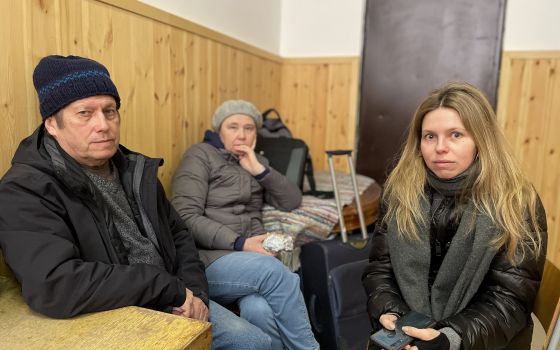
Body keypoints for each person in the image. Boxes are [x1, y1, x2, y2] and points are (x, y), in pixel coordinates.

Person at [0, 55, 271, 350]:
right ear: (52, 123)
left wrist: (195, 295)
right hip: (109, 310)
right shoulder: (26, 187)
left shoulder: (134, 170)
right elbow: (54, 284)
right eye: (84, 113)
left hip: (173, 295)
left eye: (110, 111)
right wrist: (168, 289)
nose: (103, 125)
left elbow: (179, 235)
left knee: (255, 340)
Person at [362, 81, 547, 350]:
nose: (440, 148)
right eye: (430, 136)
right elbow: (380, 268)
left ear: (481, 140)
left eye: (456, 135)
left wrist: (448, 339)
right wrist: (391, 314)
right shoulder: (400, 192)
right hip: (411, 333)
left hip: (482, 341)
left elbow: (509, 299)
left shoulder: (517, 202)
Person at [171, 99, 320, 350]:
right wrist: (240, 243)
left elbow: (292, 200)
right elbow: (185, 215)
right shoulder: (200, 155)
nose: (242, 134)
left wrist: (259, 170)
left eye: (249, 128)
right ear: (219, 130)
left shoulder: (255, 160)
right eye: (233, 127)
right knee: (274, 271)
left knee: (259, 308)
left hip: (247, 261)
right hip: (207, 259)